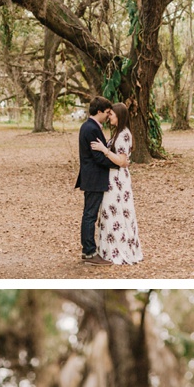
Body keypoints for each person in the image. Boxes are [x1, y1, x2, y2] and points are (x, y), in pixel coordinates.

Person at [91, 101, 144, 265]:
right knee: (110, 212)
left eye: (111, 114)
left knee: (116, 212)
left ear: (119, 116)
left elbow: (121, 161)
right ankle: (109, 250)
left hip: (118, 180)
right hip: (112, 178)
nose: (108, 116)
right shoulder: (118, 133)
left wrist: (104, 150)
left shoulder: (123, 135)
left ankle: (120, 250)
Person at [75, 96, 119, 265]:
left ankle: (88, 250)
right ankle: (89, 252)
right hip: (94, 177)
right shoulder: (92, 129)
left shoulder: (88, 126)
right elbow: (99, 158)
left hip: (91, 176)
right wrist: (118, 164)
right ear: (99, 111)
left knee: (89, 214)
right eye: (107, 112)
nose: (108, 116)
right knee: (90, 215)